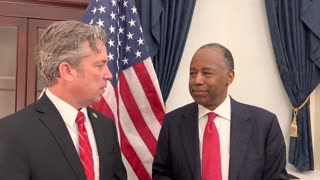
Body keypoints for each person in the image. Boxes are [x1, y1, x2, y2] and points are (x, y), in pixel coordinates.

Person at [0, 21, 127, 180]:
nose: (109, 75)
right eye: (100, 65)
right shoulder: (11, 133)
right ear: (67, 70)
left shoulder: (105, 126)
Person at [152, 43, 288, 180]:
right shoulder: (173, 123)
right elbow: (161, 173)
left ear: (230, 77)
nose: (197, 80)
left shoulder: (264, 124)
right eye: (192, 73)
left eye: (207, 73)